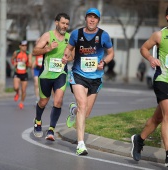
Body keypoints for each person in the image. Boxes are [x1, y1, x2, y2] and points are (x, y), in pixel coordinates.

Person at [62, 8, 114, 155]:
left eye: (95, 18)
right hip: (78, 75)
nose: (92, 20)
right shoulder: (76, 34)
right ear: (86, 18)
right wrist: (66, 56)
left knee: (85, 113)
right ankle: (80, 144)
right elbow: (68, 49)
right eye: (90, 17)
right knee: (83, 105)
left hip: (95, 78)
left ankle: (74, 111)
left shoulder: (103, 36)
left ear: (98, 20)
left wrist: (104, 61)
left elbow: (111, 53)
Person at [131, 7, 168, 167]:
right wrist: (151, 58)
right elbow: (143, 48)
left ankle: (139, 140)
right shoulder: (160, 35)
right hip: (163, 79)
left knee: (158, 118)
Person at [32, 13, 73, 141]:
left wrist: (67, 58)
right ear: (56, 23)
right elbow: (34, 51)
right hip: (46, 74)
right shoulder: (47, 36)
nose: (65, 26)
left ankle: (51, 130)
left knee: (58, 100)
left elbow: (73, 56)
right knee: (44, 101)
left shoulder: (69, 38)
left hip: (61, 73)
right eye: (62, 23)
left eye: (67, 24)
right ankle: (38, 121)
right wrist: (48, 48)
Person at [11, 40, 32, 109]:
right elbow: (12, 60)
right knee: (16, 87)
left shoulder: (28, 54)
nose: (24, 47)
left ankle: (21, 102)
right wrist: (15, 63)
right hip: (17, 72)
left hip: (24, 73)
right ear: (20, 46)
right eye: (23, 46)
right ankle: (17, 93)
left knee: (23, 90)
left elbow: (30, 65)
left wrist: (26, 62)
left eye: (25, 46)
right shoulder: (16, 53)